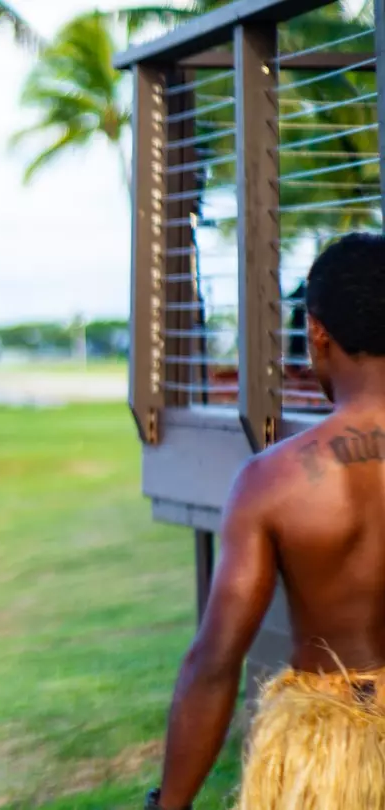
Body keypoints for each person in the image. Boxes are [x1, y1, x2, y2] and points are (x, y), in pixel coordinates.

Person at [148, 232, 385, 810]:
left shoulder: (272, 482)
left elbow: (214, 662)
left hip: (328, 754)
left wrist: (170, 803)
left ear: (318, 333)